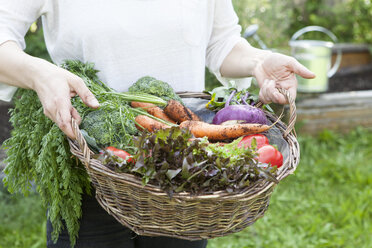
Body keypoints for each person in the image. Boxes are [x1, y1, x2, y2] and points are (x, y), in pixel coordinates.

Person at [0, 0, 315, 247]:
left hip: (185, 178)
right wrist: (40, 74)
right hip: (89, 173)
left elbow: (222, 42)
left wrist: (259, 61)